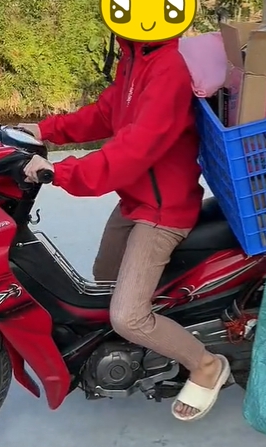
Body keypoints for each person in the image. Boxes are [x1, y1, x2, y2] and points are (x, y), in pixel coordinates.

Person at [20, 34, 230, 422]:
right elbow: (106, 114)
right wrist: (43, 130)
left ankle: (205, 365)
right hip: (136, 200)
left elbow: (135, 148)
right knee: (104, 280)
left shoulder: (168, 68)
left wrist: (61, 172)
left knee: (127, 316)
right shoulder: (136, 56)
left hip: (162, 211)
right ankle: (138, 350)